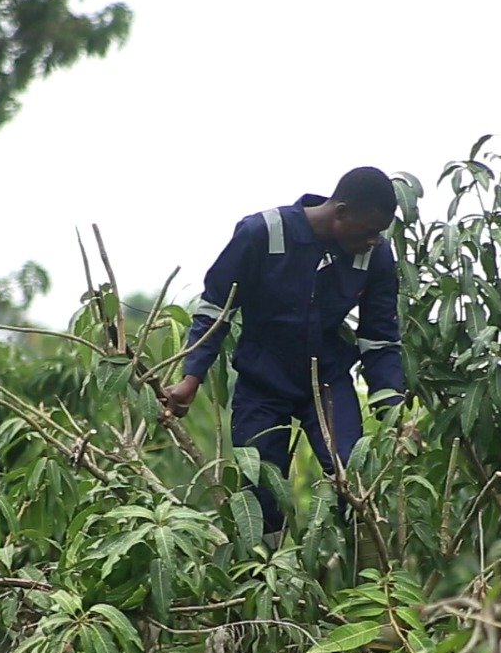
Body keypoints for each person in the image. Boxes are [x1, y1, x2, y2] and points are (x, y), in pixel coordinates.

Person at [164, 167, 405, 537]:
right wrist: (191, 378)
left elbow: (380, 339)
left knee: (353, 478)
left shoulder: (374, 256)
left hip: (326, 384)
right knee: (261, 491)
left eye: (380, 233)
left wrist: (393, 413)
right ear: (340, 212)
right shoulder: (262, 233)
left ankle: (361, 579)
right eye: (368, 230)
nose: (374, 241)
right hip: (262, 383)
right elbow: (216, 309)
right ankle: (268, 582)